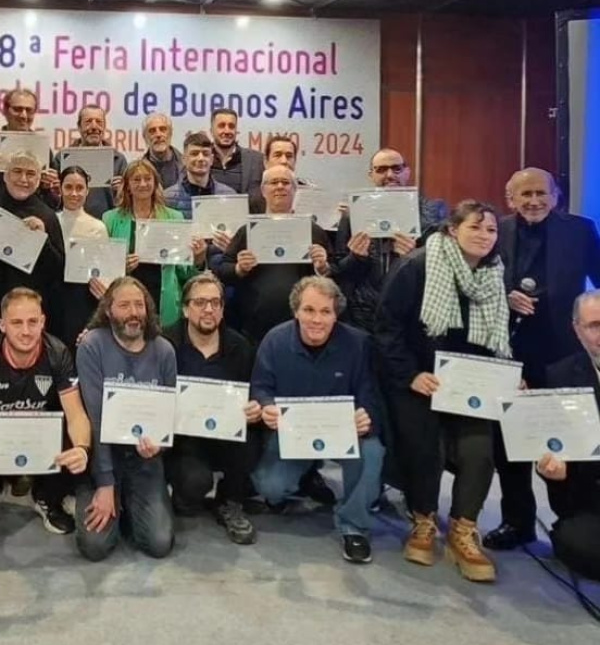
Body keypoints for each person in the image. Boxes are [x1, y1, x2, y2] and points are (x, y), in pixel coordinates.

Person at [375, 200, 510, 583]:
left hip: (470, 384)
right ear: (453, 230)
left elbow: (497, 336)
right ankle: (423, 520)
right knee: (424, 450)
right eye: (475, 227)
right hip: (419, 380)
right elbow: (386, 328)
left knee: (479, 452)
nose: (484, 236)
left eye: (491, 230)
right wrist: (411, 375)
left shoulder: (495, 272)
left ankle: (463, 530)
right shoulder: (417, 266)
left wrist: (505, 376)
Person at [486, 167, 600, 550]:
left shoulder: (581, 230)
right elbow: (479, 279)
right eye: (526, 194)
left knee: (565, 438)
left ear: (555, 196)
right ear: (511, 198)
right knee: (510, 441)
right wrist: (505, 294)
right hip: (509, 351)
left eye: (541, 193)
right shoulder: (495, 229)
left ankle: (571, 521)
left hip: (563, 353)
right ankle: (517, 522)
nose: (534, 201)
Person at [250, 277, 385, 564]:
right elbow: (260, 387)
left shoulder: (359, 344)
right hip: (292, 434)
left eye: (326, 312)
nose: (317, 320)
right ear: (295, 311)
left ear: (336, 314)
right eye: (309, 310)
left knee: (372, 450)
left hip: (342, 434)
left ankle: (354, 526)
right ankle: (305, 475)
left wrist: (366, 417)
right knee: (270, 488)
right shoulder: (274, 340)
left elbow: (371, 396)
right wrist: (267, 406)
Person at [0, 288, 91, 534]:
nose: (26, 331)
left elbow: (76, 414)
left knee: (81, 445)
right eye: (16, 323)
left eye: (32, 322)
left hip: (42, 434)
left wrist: (82, 449)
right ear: (2, 325)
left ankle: (47, 497)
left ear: (43, 322)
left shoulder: (58, 354)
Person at [75, 277, 177, 561]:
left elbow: (169, 415)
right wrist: (105, 484)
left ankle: (133, 505)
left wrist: (160, 445)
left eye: (139, 305)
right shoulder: (92, 346)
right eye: (124, 305)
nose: (133, 313)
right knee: (95, 547)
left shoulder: (164, 351)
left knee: (159, 543)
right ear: (108, 311)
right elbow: (95, 419)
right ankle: (110, 497)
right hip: (103, 457)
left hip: (144, 460)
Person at [161, 273, 257, 544]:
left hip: (225, 433)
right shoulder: (166, 344)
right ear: (185, 309)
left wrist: (254, 408)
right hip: (182, 438)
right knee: (194, 482)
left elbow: (254, 391)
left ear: (223, 309)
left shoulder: (240, 346)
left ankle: (230, 501)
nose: (208, 309)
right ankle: (184, 496)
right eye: (200, 302)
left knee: (253, 442)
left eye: (215, 303)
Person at [332, 148, 447, 333]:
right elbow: (339, 272)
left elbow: (442, 272)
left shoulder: (432, 214)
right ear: (371, 175)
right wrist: (356, 258)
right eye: (381, 169)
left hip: (411, 316)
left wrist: (413, 257)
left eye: (396, 168)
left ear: (407, 172)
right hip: (363, 318)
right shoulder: (352, 215)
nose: (390, 175)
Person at [216, 165, 331, 344]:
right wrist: (239, 269)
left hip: (302, 327)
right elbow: (222, 270)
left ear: (295, 190)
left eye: (285, 182)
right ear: (263, 190)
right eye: (274, 182)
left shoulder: (313, 231)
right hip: (254, 328)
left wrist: (323, 268)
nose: (280, 186)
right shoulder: (248, 231)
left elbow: (335, 274)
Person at [536, 290, 600, 581]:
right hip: (590, 500)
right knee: (576, 544)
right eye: (594, 326)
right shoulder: (560, 377)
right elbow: (552, 449)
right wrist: (556, 473)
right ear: (577, 330)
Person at [102, 159, 205, 329]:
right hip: (126, 301)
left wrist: (198, 257)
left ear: (155, 183)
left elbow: (185, 274)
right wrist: (121, 268)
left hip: (164, 303)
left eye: (148, 179)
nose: (143, 184)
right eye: (136, 179)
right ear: (127, 186)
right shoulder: (110, 219)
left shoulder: (174, 218)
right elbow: (104, 270)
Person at [0, 150, 66, 338]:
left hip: (24, 311)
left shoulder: (47, 215)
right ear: (5, 175)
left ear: (39, 180)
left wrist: (43, 240)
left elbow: (58, 269)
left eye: (31, 174)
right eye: (17, 171)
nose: (23, 179)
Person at [0, 88, 59, 202]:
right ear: (5, 111)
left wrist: (49, 186)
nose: (23, 115)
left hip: (31, 209)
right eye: (17, 109)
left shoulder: (42, 148)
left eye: (29, 110)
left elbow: (52, 200)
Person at [56, 166, 109, 350]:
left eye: (79, 188)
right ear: (60, 189)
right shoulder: (50, 221)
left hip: (84, 299)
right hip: (54, 298)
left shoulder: (98, 227)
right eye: (68, 187)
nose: (74, 193)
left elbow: (103, 269)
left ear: (87, 191)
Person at [63, 105, 127, 218]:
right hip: (70, 222)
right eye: (88, 122)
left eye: (99, 122)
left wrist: (122, 191)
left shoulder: (118, 160)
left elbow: (127, 202)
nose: (94, 126)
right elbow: (54, 201)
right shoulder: (63, 158)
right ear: (79, 127)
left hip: (106, 224)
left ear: (105, 127)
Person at [164, 131, 237, 219]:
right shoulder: (167, 198)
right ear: (184, 159)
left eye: (205, 154)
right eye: (194, 153)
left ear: (211, 160)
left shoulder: (229, 196)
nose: (201, 158)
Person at [208, 107, 264, 202]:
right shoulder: (202, 160)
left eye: (231, 126)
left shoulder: (257, 160)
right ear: (211, 131)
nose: (227, 131)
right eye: (221, 126)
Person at [140, 113, 183, 189]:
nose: (158, 135)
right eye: (152, 131)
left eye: (163, 129)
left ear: (170, 133)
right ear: (145, 137)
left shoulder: (186, 165)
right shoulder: (137, 169)